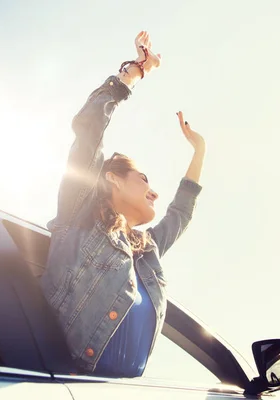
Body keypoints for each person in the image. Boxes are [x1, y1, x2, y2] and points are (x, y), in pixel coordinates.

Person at [39, 31, 206, 377]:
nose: (154, 192)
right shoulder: (79, 212)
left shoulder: (146, 250)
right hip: (57, 383)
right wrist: (137, 71)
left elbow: (181, 211)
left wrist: (199, 150)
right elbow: (90, 125)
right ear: (112, 178)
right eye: (144, 179)